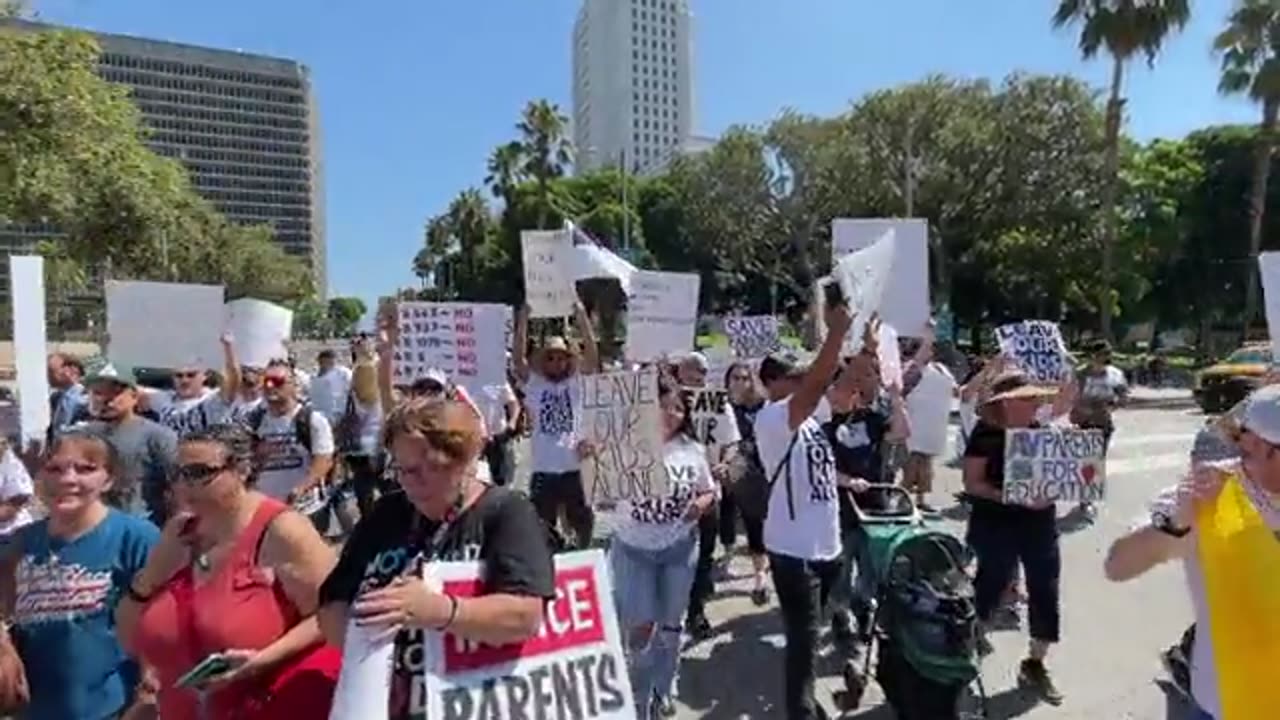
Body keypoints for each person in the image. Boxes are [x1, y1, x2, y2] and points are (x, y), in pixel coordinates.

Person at [317, 394, 555, 720]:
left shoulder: (505, 512)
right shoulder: (387, 512)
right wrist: (366, 635)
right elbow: (332, 602)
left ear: (463, 462)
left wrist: (437, 611)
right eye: (402, 470)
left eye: (428, 469)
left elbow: (525, 616)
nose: (411, 482)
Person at [117, 424, 340, 719]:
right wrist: (152, 575)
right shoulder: (179, 533)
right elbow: (128, 636)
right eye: (179, 474)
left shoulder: (281, 530)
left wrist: (260, 661)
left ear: (243, 469)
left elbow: (332, 615)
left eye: (199, 473)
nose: (184, 485)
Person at [1103, 386, 1280, 720]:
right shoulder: (1208, 492)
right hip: (1226, 704)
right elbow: (1117, 566)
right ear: (1256, 444)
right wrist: (1176, 526)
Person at [0, 429, 159, 719]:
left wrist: (150, 691)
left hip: (113, 706)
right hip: (39, 707)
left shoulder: (135, 537)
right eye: (55, 468)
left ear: (109, 479)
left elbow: (162, 621)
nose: (67, 479)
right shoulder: (22, 542)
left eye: (86, 469)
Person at [753, 300, 851, 720]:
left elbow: (845, 390)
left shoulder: (810, 419)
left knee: (822, 628)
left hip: (827, 547)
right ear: (772, 382)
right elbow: (816, 387)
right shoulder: (774, 417)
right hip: (794, 553)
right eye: (794, 375)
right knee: (804, 641)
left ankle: (819, 698)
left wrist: (862, 346)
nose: (802, 380)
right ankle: (802, 713)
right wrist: (835, 334)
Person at [608, 377, 717, 718]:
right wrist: (587, 457)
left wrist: (703, 502)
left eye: (679, 408)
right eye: (664, 407)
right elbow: (600, 490)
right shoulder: (623, 444)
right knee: (640, 627)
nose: (671, 414)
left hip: (679, 550)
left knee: (671, 623)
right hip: (632, 550)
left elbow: (709, 490)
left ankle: (665, 685)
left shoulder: (693, 451)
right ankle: (639, 698)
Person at [962, 371, 1067, 705]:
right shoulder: (985, 434)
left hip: (1039, 523)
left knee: (1045, 590)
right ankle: (965, 651)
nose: (1035, 403)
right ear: (1005, 403)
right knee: (990, 585)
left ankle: (1035, 663)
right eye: (1026, 397)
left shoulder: (1043, 432)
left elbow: (1062, 476)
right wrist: (1012, 496)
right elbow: (972, 483)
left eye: (1035, 397)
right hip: (996, 523)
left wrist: (1064, 481)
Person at [824, 348, 908, 644]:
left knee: (871, 567)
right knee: (842, 568)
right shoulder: (824, 427)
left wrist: (897, 398)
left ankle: (863, 607)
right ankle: (840, 613)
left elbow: (900, 433)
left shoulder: (871, 418)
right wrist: (847, 481)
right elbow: (820, 470)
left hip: (875, 506)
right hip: (841, 509)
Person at [512, 300, 600, 548]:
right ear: (543, 361)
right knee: (542, 534)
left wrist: (581, 317)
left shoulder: (576, 383)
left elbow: (592, 357)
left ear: (568, 360)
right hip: (544, 471)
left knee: (583, 529)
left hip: (575, 469)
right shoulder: (535, 385)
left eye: (561, 357)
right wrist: (523, 321)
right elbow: (518, 359)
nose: (556, 362)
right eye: (550, 357)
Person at [674, 351, 739, 639]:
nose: (696, 377)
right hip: (672, 495)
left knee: (703, 555)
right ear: (680, 374)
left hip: (708, 492)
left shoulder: (718, 404)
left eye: (701, 372)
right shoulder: (667, 403)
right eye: (691, 371)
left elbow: (732, 441)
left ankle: (696, 610)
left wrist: (726, 461)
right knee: (675, 555)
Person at [78, 358, 179, 525]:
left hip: (141, 525)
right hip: (93, 525)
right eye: (98, 393)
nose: (107, 400)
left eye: (115, 393)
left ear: (133, 396)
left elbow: (177, 486)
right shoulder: (82, 436)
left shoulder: (157, 436)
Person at [246, 360, 336, 509]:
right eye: (265, 381)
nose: (270, 387)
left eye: (277, 381)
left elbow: (324, 459)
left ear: (293, 385)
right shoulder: (254, 422)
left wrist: (301, 488)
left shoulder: (311, 419)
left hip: (304, 507)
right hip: (265, 506)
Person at [723, 361, 770, 605]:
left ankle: (762, 572)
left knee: (762, 524)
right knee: (739, 520)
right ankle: (733, 551)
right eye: (735, 378)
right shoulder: (724, 409)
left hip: (765, 474)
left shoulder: (767, 407)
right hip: (735, 474)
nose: (740, 383)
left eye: (745, 378)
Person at [1069, 340, 1128, 521]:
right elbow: (1070, 396)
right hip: (1084, 423)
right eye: (1101, 354)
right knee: (1085, 460)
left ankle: (1087, 499)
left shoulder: (1115, 374)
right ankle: (1084, 499)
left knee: (1096, 462)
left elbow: (1123, 397)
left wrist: (1112, 406)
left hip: (1103, 424)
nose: (1105, 358)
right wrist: (1081, 408)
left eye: (1107, 354)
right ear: (1092, 356)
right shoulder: (1080, 375)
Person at [901, 331, 957, 513]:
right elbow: (905, 385)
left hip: (935, 422)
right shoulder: (910, 368)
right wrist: (927, 334)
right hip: (915, 422)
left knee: (926, 464)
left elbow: (956, 390)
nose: (929, 351)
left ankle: (921, 499)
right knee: (912, 462)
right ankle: (904, 498)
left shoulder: (941, 369)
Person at [144, 334, 241, 438]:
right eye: (179, 376)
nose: (184, 380)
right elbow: (131, 388)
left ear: (205, 376)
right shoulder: (161, 398)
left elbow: (233, 380)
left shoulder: (213, 400)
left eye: (191, 375)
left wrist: (228, 347)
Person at [332, 338, 382, 518]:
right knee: (386, 489)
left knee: (364, 492)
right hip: (379, 443)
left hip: (358, 446)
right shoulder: (382, 383)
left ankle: (368, 525)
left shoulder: (352, 382)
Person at [47, 353, 88, 444]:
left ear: (71, 370)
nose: (47, 376)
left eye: (50, 371)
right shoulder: (55, 398)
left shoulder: (86, 398)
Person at [308, 349, 352, 428]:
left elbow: (351, 390)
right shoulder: (314, 377)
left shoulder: (343, 373)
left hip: (337, 414)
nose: (323, 364)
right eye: (321, 362)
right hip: (318, 416)